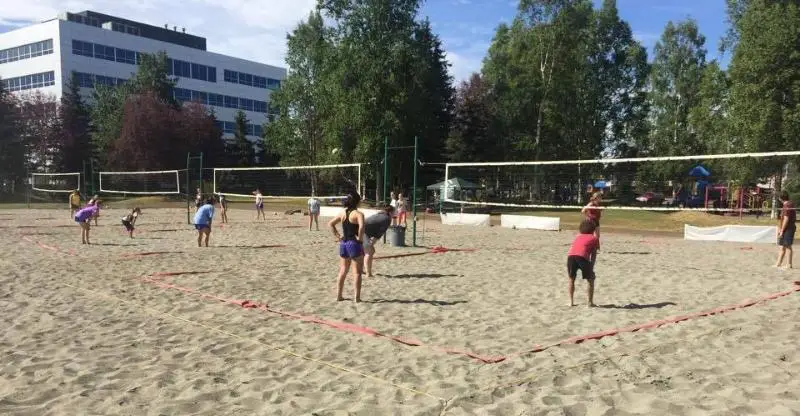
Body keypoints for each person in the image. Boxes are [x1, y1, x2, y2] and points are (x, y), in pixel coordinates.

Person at [328, 191, 365, 303]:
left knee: (343, 270)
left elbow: (330, 224)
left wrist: (338, 236)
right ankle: (357, 297)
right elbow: (361, 227)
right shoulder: (358, 214)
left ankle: (339, 295)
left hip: (344, 243)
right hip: (353, 243)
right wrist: (360, 240)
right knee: (357, 272)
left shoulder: (342, 213)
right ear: (357, 202)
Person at [567, 219, 600, 307]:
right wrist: (591, 266)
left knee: (571, 279)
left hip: (570, 256)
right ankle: (590, 302)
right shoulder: (594, 238)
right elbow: (593, 254)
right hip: (582, 257)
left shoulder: (578, 236)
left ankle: (571, 302)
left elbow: (574, 247)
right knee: (590, 279)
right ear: (593, 230)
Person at [363, 205, 395, 277]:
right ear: (390, 212)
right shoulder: (387, 219)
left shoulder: (380, 214)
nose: (394, 214)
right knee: (370, 251)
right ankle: (368, 273)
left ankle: (361, 270)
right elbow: (379, 233)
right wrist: (372, 243)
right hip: (362, 231)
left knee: (366, 251)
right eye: (394, 212)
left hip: (360, 230)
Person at [775, 191, 796, 269]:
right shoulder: (787, 204)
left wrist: (782, 230)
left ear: (780, 198)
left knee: (788, 246)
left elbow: (786, 219)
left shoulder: (788, 205)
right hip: (786, 228)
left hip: (788, 228)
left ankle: (789, 264)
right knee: (782, 247)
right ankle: (778, 263)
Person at [581, 191, 603, 263]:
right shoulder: (591, 203)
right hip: (591, 221)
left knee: (597, 235)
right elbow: (583, 210)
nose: (601, 199)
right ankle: (588, 247)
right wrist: (589, 216)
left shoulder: (597, 204)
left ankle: (596, 248)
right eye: (600, 197)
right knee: (590, 235)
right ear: (597, 197)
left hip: (597, 221)